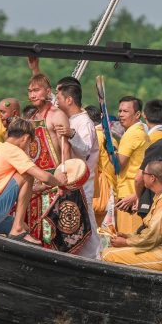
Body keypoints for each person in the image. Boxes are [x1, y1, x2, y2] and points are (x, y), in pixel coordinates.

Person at [0, 118, 67, 241]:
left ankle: (18, 230)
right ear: (26, 138)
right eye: (30, 144)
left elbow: (0, 187)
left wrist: (36, 188)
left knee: (25, 229)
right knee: (27, 175)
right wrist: (59, 181)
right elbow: (44, 177)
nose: (28, 148)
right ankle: (17, 229)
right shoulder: (13, 151)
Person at [102, 160, 162, 273]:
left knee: (108, 255)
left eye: (143, 173)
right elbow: (149, 230)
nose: (141, 177)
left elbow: (153, 235)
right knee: (112, 250)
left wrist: (126, 242)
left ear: (152, 178)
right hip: (158, 251)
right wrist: (128, 236)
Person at [54, 76, 100, 259]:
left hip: (83, 182)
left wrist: (72, 134)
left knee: (86, 220)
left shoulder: (84, 122)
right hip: (70, 181)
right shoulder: (70, 119)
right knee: (73, 220)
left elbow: (85, 150)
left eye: (58, 98)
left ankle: (95, 258)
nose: (56, 101)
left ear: (68, 100)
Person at [25, 58, 72, 168]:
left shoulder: (57, 115)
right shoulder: (32, 117)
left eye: (36, 90)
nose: (32, 95)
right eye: (30, 91)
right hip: (37, 175)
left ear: (48, 92)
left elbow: (65, 149)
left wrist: (65, 173)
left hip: (56, 173)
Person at [113, 96, 149, 233]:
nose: (121, 115)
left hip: (129, 195)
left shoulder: (132, 134)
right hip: (136, 192)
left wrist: (110, 150)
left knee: (127, 237)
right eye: (120, 111)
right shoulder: (141, 132)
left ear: (137, 114)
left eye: (125, 111)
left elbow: (118, 165)